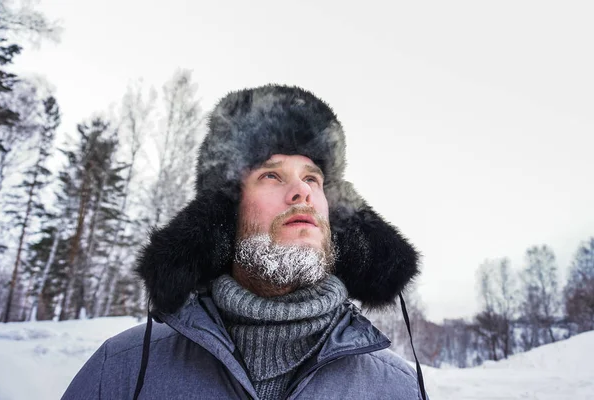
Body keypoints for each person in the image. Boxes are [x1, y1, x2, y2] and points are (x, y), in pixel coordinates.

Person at [62, 85, 427, 400]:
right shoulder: (123, 369)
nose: (302, 191)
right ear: (226, 213)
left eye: (313, 179)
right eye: (272, 174)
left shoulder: (399, 389)